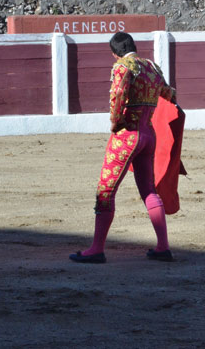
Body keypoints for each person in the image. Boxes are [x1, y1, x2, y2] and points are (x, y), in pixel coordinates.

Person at [70, 31, 177, 264]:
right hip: (149, 135)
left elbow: (118, 94)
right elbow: (170, 95)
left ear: (114, 53)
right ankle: (163, 246)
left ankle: (96, 249)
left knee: (105, 191)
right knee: (148, 190)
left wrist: (116, 121)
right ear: (134, 46)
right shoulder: (152, 67)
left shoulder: (121, 66)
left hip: (127, 136)